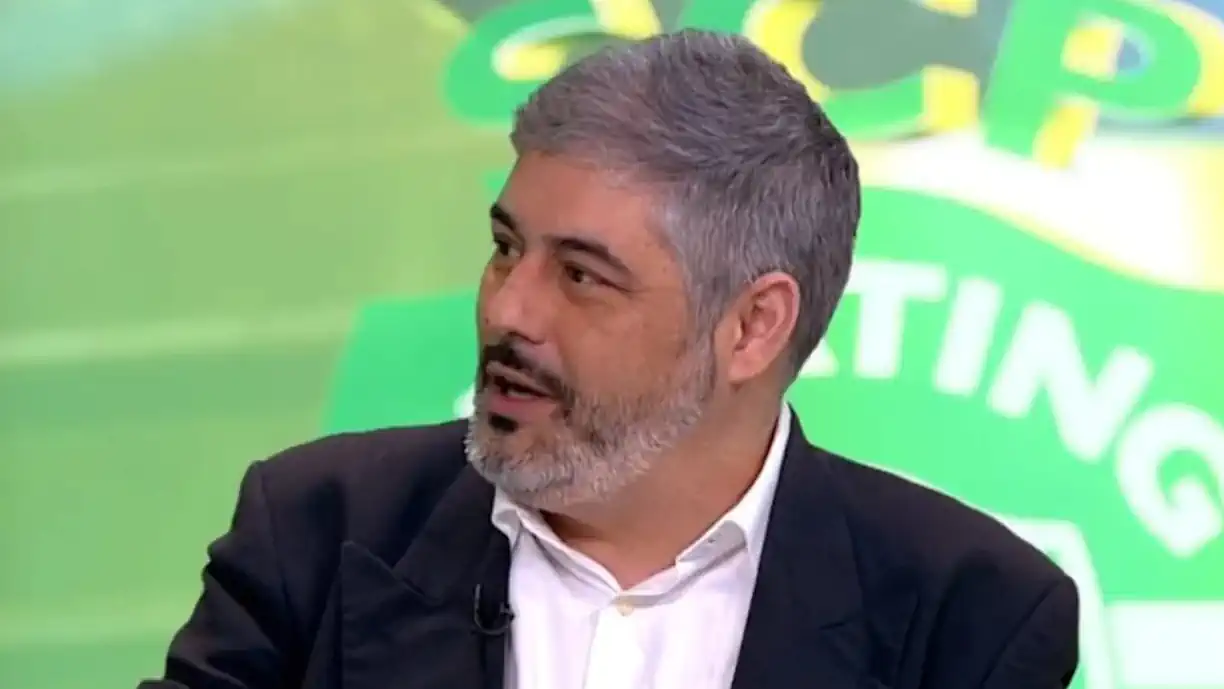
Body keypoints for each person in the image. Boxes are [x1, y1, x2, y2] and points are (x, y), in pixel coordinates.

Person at [138, 29, 1079, 689]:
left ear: (752, 326)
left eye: (582, 275)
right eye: (506, 247)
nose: (508, 309)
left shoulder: (968, 618)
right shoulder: (320, 533)